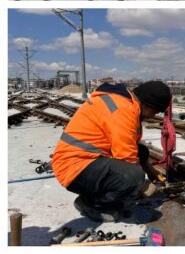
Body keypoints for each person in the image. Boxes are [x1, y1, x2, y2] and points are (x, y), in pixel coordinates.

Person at [52, 81, 172, 222]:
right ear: (146, 104)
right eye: (153, 112)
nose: (152, 116)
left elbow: (131, 146)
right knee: (133, 176)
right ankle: (91, 203)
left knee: (142, 151)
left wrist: (152, 172)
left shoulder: (125, 102)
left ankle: (103, 194)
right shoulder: (123, 110)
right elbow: (126, 157)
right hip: (74, 168)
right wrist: (143, 185)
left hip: (84, 159)